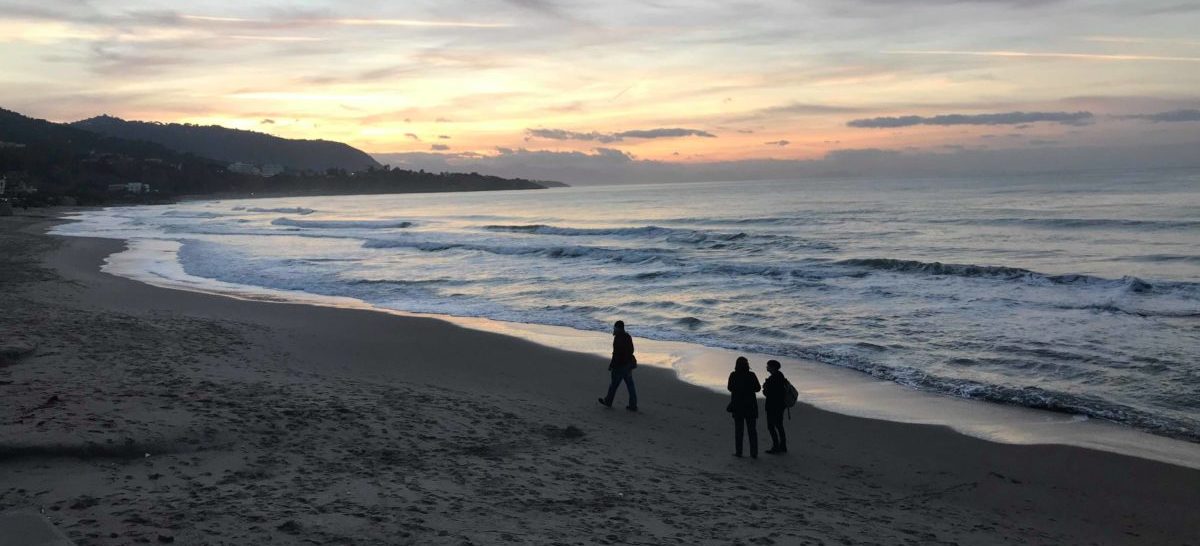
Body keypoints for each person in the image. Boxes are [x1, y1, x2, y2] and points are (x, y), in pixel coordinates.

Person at [598, 320, 638, 411]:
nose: (614, 329)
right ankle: (633, 405)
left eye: (615, 328)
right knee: (630, 385)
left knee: (613, 385)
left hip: (620, 366)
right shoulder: (628, 337)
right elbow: (631, 350)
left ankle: (608, 401)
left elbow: (616, 354)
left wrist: (611, 365)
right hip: (628, 365)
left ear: (619, 328)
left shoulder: (617, 338)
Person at [727, 356, 760, 458]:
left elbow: (729, 388)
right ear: (747, 365)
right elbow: (758, 388)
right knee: (752, 431)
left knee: (739, 431)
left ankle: (739, 452)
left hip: (738, 405)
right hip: (750, 405)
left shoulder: (733, 375)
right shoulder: (751, 375)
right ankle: (753, 453)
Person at [761, 359, 789, 454]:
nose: (766, 367)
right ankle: (783, 445)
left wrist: (765, 388)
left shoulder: (773, 379)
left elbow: (768, 394)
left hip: (772, 405)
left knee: (771, 426)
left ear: (772, 367)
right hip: (781, 405)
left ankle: (776, 446)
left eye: (768, 365)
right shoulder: (781, 376)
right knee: (779, 425)